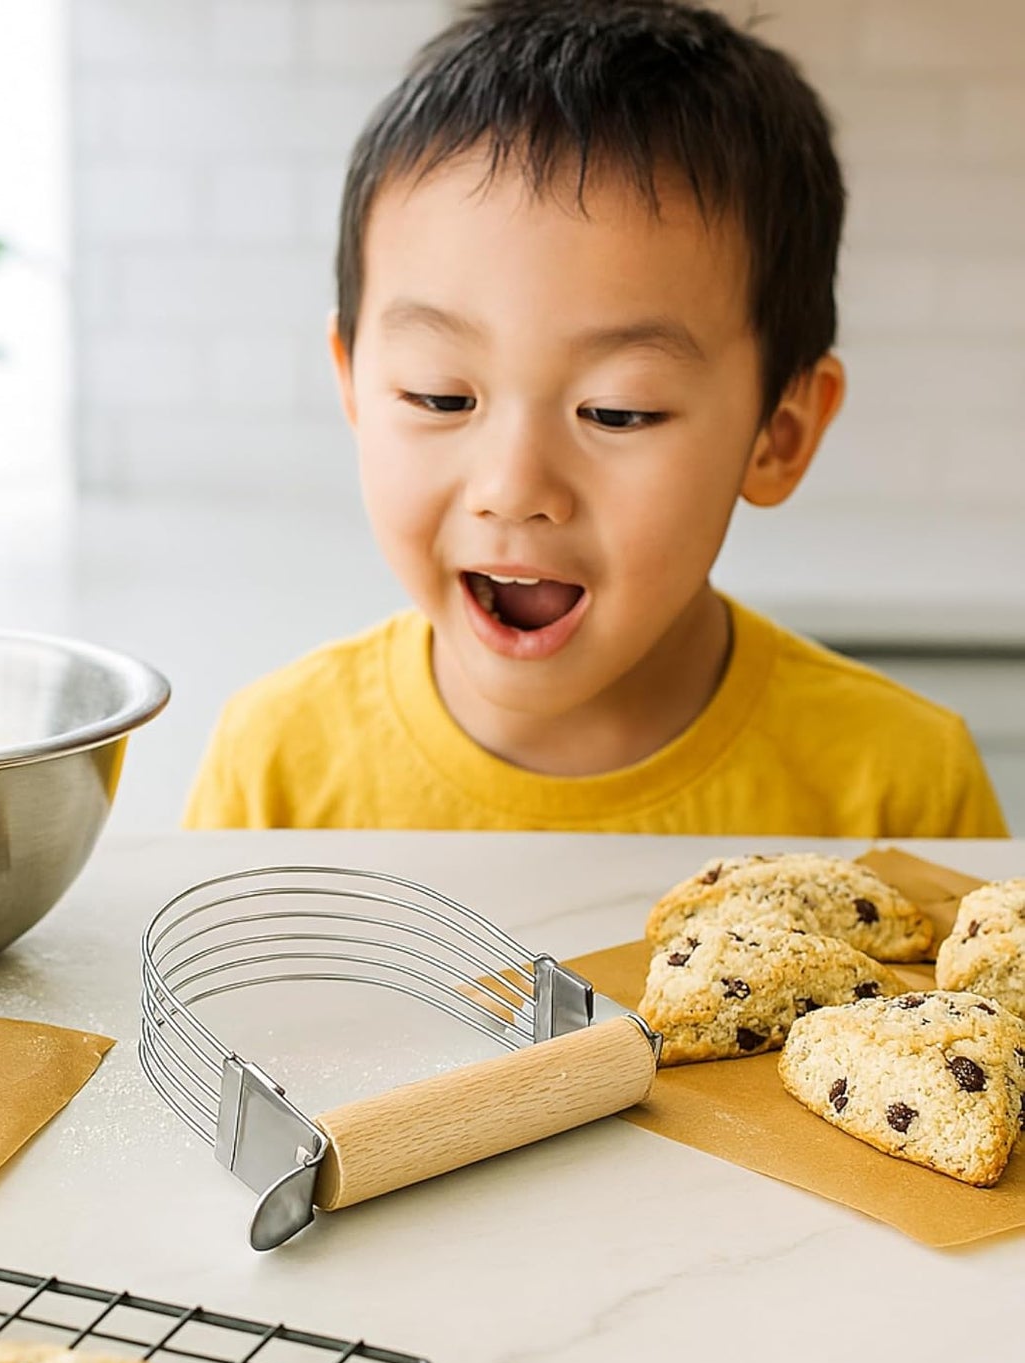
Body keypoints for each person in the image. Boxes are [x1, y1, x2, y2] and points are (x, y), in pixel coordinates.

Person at [183, 0, 1007, 837]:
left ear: (779, 435)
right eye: (441, 397)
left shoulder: (901, 789)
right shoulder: (276, 771)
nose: (512, 488)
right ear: (353, 384)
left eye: (618, 411)